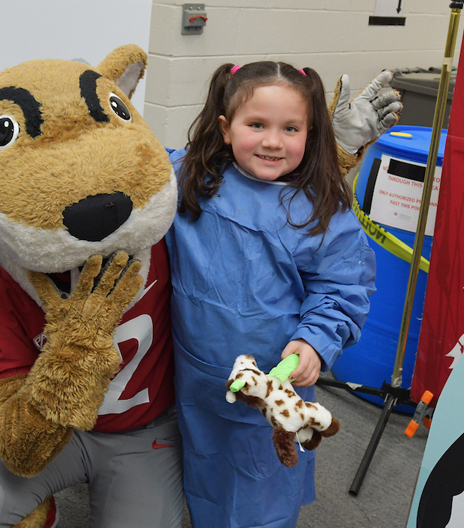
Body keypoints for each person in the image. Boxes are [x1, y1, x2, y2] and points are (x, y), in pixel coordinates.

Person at [165, 61, 378, 528]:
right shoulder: (189, 177)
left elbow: (342, 287)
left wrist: (316, 341)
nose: (272, 141)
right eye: (256, 124)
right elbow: (129, 170)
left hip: (272, 384)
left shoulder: (322, 208)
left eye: (291, 128)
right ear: (225, 128)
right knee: (198, 468)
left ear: (311, 133)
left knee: (259, 487)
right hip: (192, 374)